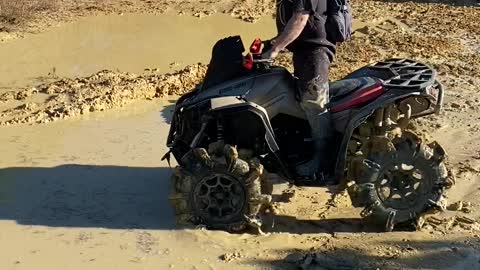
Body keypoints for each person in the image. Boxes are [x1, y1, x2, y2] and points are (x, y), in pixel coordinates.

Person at [262, 0, 336, 180]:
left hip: (315, 51)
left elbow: (300, 19)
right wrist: (271, 43)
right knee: (296, 97)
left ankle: (323, 162)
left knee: (313, 101)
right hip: (303, 51)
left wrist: (275, 48)